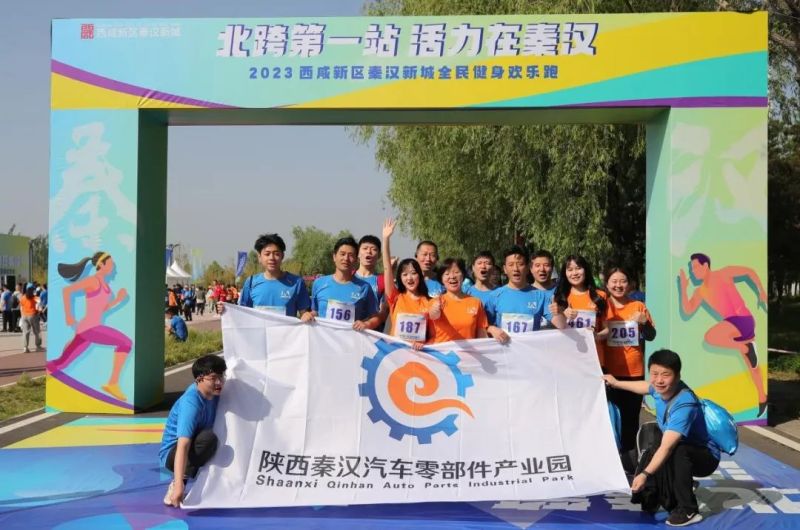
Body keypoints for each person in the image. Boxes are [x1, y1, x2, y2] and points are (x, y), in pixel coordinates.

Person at [604, 349, 720, 527]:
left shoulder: (684, 403)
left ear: (678, 376)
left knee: (675, 451)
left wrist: (645, 474)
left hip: (704, 456)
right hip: (679, 445)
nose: (659, 380)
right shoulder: (659, 389)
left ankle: (688, 509)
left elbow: (667, 447)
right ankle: (677, 483)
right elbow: (645, 387)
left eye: (666, 375)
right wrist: (616, 383)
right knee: (640, 450)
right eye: (654, 373)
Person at [678, 253, 768, 416]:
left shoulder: (724, 273)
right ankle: (762, 398)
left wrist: (761, 290)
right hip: (735, 326)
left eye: (695, 267)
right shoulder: (700, 292)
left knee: (711, 336)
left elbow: (749, 271)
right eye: (691, 269)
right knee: (753, 366)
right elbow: (688, 310)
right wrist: (683, 289)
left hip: (742, 319)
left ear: (706, 265)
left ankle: (745, 347)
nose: (693, 272)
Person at [46, 251, 133, 402]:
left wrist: (118, 300)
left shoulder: (104, 285)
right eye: (111, 264)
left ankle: (49, 372)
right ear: (101, 265)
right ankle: (112, 383)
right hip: (90, 329)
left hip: (87, 330)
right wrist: (69, 316)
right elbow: (67, 291)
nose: (113, 268)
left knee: (62, 362)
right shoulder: (93, 281)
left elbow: (102, 309)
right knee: (126, 342)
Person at [603, 265, 656, 471]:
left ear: (630, 284)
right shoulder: (602, 305)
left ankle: (628, 463)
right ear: (607, 283)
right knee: (608, 419)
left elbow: (651, 336)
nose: (618, 285)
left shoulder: (638, 306)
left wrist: (645, 323)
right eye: (614, 281)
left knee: (630, 420)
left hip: (633, 373)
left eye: (623, 281)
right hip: (607, 371)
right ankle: (608, 461)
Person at [159, 354, 226, 507]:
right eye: (213, 378)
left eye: (221, 376)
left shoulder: (215, 393)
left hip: (195, 441)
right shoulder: (191, 403)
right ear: (199, 379)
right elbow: (183, 444)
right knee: (208, 439)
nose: (219, 382)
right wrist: (179, 485)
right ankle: (177, 482)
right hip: (172, 453)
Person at [485, 246, 566, 341]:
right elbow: (482, 326)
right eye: (511, 265)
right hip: (504, 349)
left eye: (520, 264)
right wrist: (491, 329)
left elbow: (561, 325)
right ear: (505, 269)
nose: (515, 269)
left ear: (527, 268)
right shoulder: (494, 296)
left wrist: (559, 313)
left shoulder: (540, 296)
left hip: (530, 349)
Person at [381, 219, 439, 349]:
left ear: (420, 276)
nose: (410, 278)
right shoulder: (395, 297)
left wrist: (423, 344)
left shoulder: (429, 302)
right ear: (400, 278)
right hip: (395, 353)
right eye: (405, 274)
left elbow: (434, 335)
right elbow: (387, 269)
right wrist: (385, 239)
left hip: (418, 355)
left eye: (413, 273)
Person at [303, 237, 381, 331]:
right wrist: (308, 314)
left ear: (356, 259)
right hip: (323, 338)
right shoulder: (319, 283)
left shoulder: (365, 287)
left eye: (350, 255)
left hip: (349, 338)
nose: (346, 258)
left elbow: (376, 317)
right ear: (334, 257)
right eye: (342, 254)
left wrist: (366, 324)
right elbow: (315, 311)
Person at [236, 233, 310, 317]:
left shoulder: (296, 282)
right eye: (267, 254)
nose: (271, 258)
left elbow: (304, 313)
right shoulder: (251, 282)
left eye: (276, 254)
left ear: (282, 256)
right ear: (259, 257)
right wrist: (226, 310)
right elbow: (242, 314)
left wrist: (306, 315)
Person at [553, 255, 607, 368]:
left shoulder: (600, 296)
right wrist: (562, 315)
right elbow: (555, 329)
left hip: (594, 359)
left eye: (578, 268)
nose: (574, 273)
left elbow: (608, 329)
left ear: (585, 270)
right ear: (565, 273)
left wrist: (596, 336)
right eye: (570, 269)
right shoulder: (559, 298)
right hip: (567, 360)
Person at [430, 258, 497, 343]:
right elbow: (432, 316)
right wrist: (435, 311)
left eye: (456, 272)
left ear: (463, 276)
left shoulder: (475, 302)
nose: (452, 276)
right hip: (442, 351)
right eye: (447, 274)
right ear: (441, 279)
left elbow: (481, 334)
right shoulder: (434, 302)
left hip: (469, 351)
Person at [355, 234, 384, 308]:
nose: (369, 251)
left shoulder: (382, 281)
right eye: (365, 248)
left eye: (374, 249)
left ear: (379, 255)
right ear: (357, 253)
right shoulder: (348, 276)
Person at [19, 284, 42, 353]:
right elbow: (39, 307)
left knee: (25, 332)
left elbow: (21, 307)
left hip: (24, 316)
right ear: (33, 290)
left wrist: (22, 315)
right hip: (33, 315)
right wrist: (38, 312)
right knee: (37, 331)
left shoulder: (23, 297)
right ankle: (38, 346)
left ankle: (25, 347)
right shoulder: (35, 298)